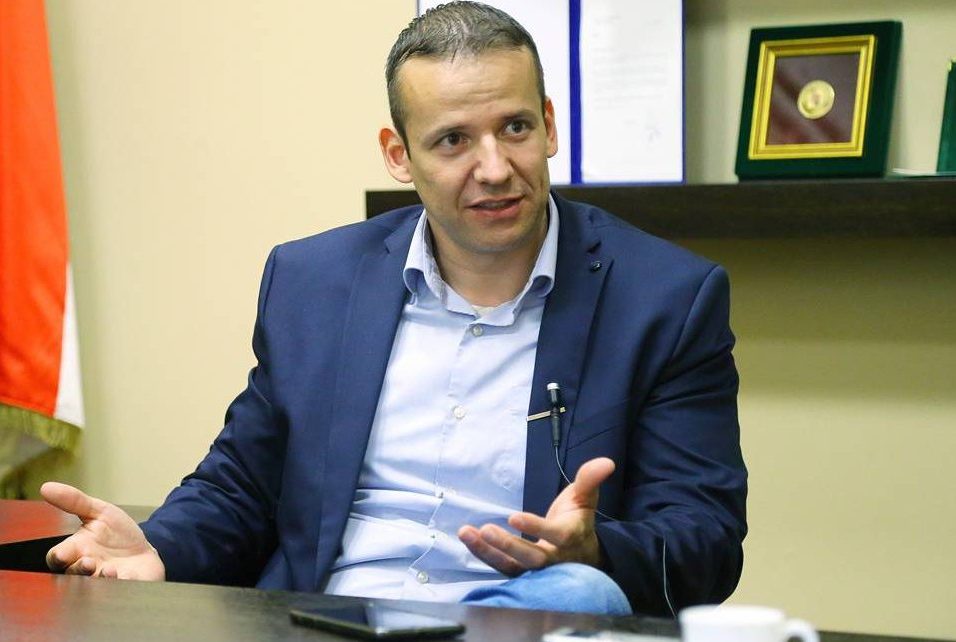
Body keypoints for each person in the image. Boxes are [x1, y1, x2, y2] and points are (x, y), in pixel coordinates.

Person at [41, 2, 747, 616]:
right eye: (453, 140)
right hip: (332, 618)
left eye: (515, 127)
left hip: (515, 618)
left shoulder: (663, 299)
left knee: (579, 593)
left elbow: (705, 539)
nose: (495, 167)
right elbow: (244, 487)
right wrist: (158, 546)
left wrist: (595, 550)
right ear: (398, 155)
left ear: (550, 126)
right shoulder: (314, 282)